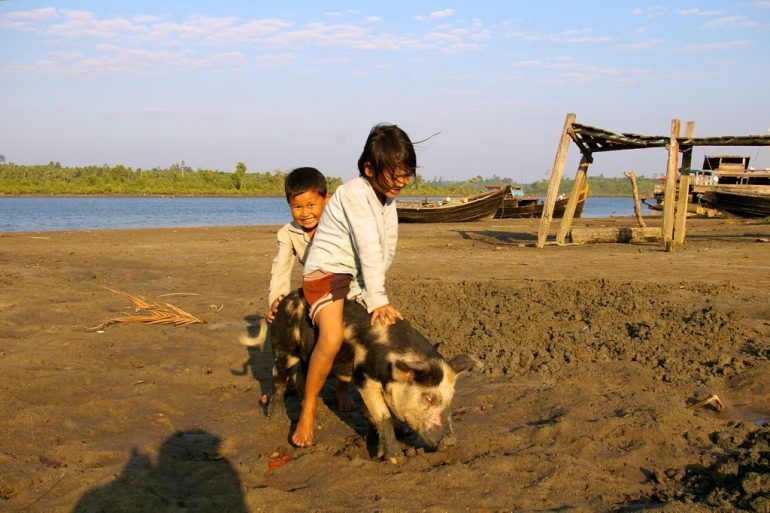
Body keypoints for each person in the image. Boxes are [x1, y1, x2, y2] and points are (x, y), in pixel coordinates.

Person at [292, 123, 417, 447]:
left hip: (354, 279)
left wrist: (371, 295)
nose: (401, 182)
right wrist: (376, 298)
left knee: (380, 332)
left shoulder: (387, 201)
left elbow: (386, 250)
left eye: (406, 174)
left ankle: (375, 404)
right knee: (332, 338)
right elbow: (367, 247)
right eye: (395, 175)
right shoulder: (353, 194)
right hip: (326, 273)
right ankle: (307, 409)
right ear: (369, 169)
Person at [266, 167, 328, 324]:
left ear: (326, 200)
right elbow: (281, 269)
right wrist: (276, 302)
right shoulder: (287, 233)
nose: (305, 213)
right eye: (297, 207)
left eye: (311, 205)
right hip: (316, 289)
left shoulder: (337, 226)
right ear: (289, 205)